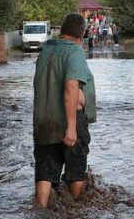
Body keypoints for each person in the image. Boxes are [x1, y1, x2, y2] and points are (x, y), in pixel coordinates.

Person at [32, 13, 96, 208]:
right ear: (82, 34)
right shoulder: (74, 52)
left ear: (61, 31)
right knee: (76, 171)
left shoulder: (46, 51)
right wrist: (71, 127)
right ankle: (76, 213)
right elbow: (70, 87)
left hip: (44, 120)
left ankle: (40, 212)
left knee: (45, 171)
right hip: (69, 120)